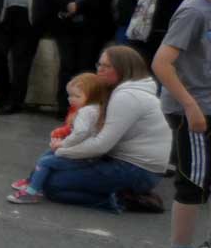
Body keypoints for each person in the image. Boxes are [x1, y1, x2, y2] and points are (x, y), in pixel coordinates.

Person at [39, 46, 170, 211]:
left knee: (52, 185)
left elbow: (101, 145)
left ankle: (122, 200)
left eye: (106, 66)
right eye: (99, 64)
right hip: (127, 162)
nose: (99, 70)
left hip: (137, 170)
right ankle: (120, 192)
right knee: (50, 167)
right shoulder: (125, 90)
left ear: (123, 68)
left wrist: (62, 151)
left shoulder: (127, 97)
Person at [151, 0, 211, 248]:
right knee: (193, 184)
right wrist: (191, 106)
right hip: (193, 112)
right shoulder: (194, 11)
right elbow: (162, 63)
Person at [7, 72, 111, 204]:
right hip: (87, 152)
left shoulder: (85, 111)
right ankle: (33, 181)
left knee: (46, 161)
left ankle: (32, 191)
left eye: (76, 96)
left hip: (83, 155)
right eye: (69, 95)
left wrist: (62, 144)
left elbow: (80, 133)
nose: (70, 99)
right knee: (48, 155)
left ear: (92, 95)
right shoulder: (96, 109)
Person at [50, 0, 114, 118]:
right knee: (67, 65)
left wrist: (79, 7)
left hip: (93, 27)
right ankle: (63, 106)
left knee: (86, 67)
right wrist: (67, 5)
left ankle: (85, 108)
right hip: (66, 26)